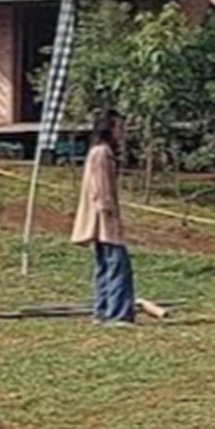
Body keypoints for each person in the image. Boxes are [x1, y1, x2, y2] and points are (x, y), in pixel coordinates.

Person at [71, 109, 135, 324]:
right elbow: (100, 188)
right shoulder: (101, 153)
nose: (121, 132)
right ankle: (116, 313)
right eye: (118, 127)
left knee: (105, 265)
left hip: (102, 217)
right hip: (104, 219)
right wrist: (108, 212)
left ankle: (103, 310)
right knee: (117, 264)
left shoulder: (99, 152)